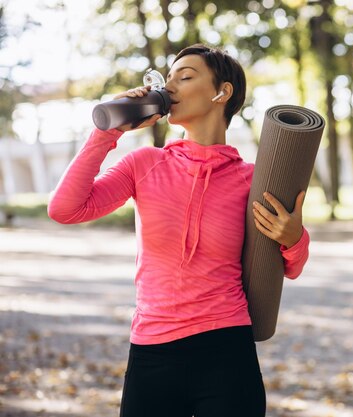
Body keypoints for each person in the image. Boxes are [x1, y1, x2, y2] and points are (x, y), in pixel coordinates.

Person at [47, 44, 310, 417]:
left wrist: (293, 237)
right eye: (167, 78)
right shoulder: (145, 164)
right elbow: (64, 209)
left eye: (185, 77)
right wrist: (107, 132)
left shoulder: (253, 180)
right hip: (152, 352)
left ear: (222, 92)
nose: (170, 87)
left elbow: (292, 266)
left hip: (226, 352)